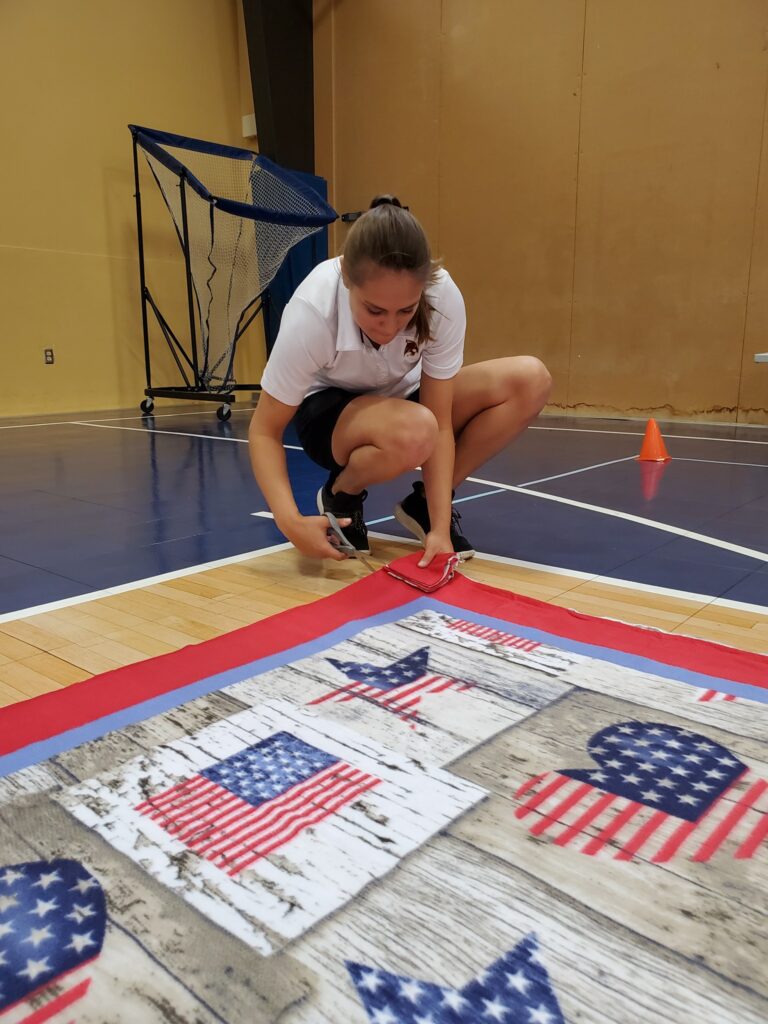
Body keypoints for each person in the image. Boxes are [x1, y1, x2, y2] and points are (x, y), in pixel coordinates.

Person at [248, 195, 551, 567]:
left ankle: (422, 506)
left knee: (530, 379)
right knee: (416, 428)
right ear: (346, 278)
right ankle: (341, 492)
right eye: (374, 310)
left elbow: (439, 422)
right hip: (330, 414)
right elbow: (264, 431)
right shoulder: (312, 311)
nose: (390, 327)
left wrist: (439, 528)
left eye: (406, 310)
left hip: (406, 403)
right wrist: (290, 521)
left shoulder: (442, 296)